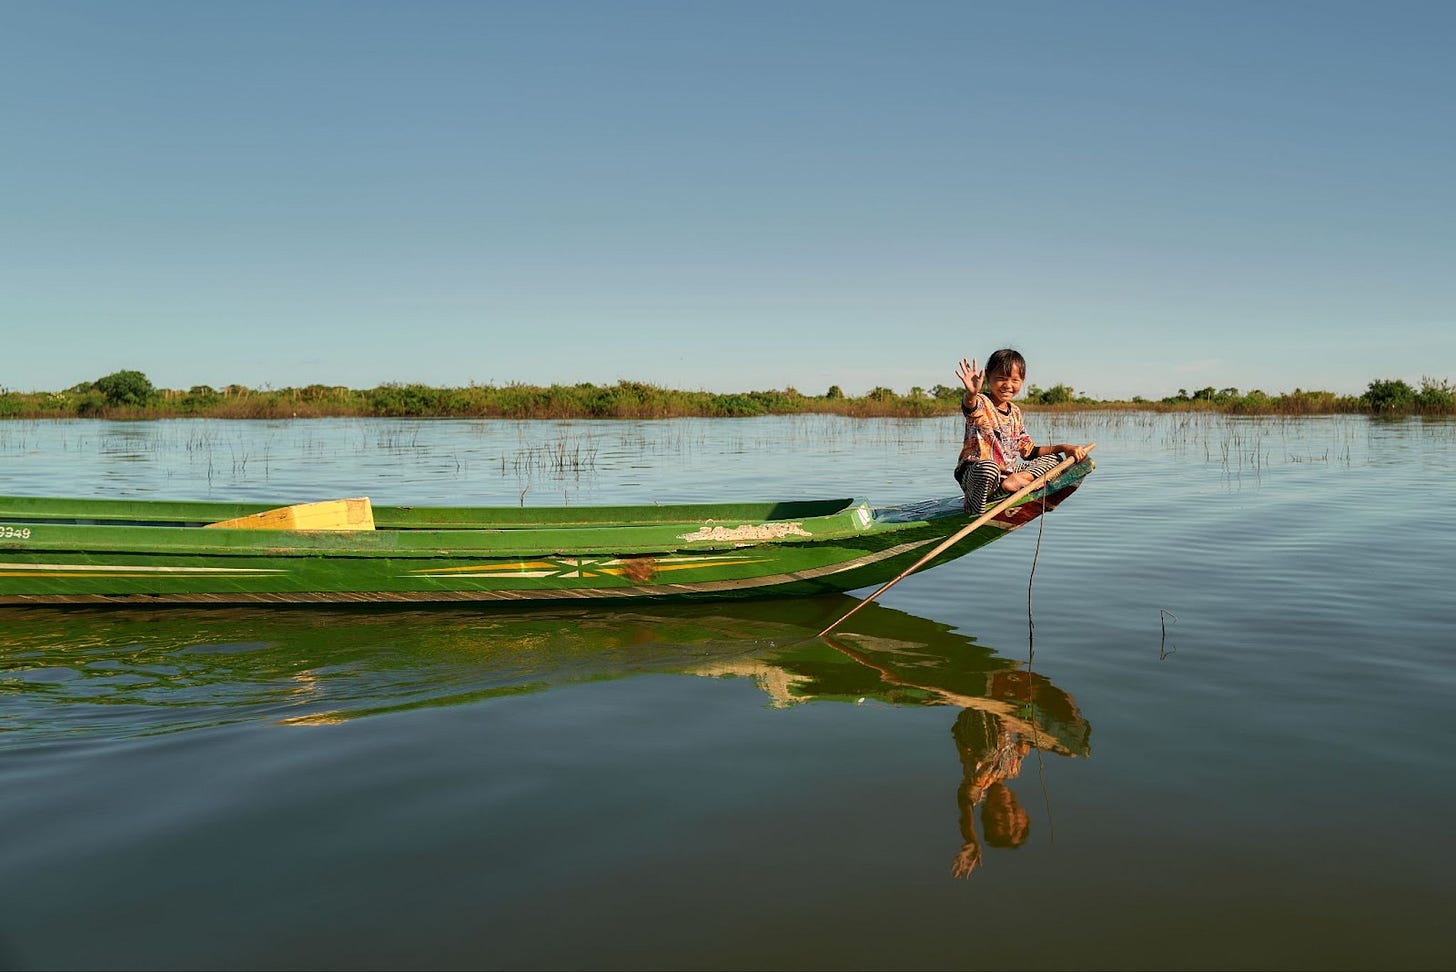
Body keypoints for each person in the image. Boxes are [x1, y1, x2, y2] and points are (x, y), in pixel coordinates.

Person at [954, 349, 1091, 515]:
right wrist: (971, 393)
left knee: (1055, 459)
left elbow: (1029, 451)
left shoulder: (1015, 412)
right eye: (1001, 379)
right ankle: (976, 508)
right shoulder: (982, 402)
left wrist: (1064, 447)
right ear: (988, 377)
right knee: (989, 468)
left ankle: (1010, 485)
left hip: (1005, 478)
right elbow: (970, 406)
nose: (1008, 385)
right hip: (976, 476)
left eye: (1015, 380)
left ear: (1022, 381)